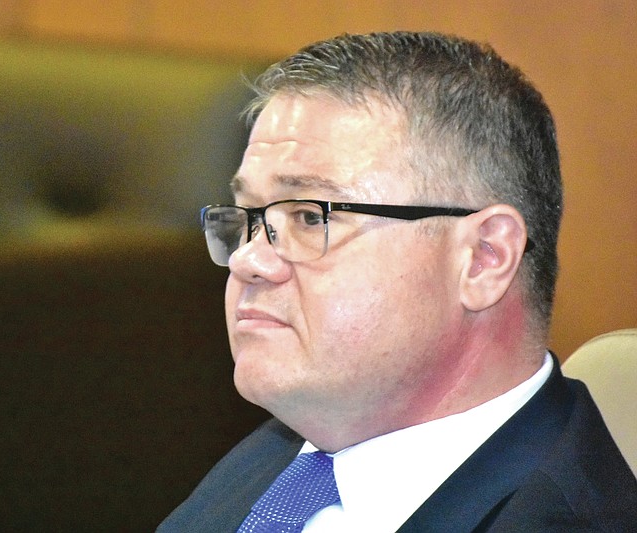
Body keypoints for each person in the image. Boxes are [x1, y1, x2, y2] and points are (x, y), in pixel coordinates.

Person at [158, 31, 637, 532]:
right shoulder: (279, 458)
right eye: (246, 217)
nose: (248, 260)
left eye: (309, 217)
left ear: (483, 258)